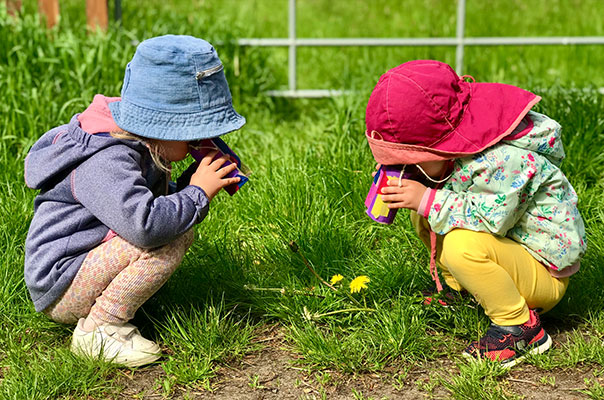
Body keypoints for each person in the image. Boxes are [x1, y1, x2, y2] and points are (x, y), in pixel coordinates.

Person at [24, 35, 246, 367]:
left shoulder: (145, 144)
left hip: (88, 262)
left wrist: (191, 181)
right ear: (164, 125)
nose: (202, 140)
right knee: (171, 239)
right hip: (61, 281)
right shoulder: (104, 160)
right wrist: (198, 192)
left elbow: (154, 206)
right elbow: (147, 227)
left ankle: (114, 306)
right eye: (195, 132)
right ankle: (100, 329)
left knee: (174, 228)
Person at [364, 60, 586, 367]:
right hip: (510, 254)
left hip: (541, 273)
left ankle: (520, 325)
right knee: (424, 212)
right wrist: (420, 184)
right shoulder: (461, 150)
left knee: (460, 245)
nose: (405, 168)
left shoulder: (504, 160)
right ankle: (460, 288)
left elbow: (490, 220)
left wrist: (427, 197)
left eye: (410, 158)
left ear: (440, 147)